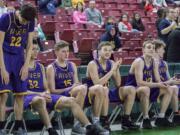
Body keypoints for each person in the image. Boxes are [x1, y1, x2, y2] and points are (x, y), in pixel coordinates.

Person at [25, 41, 101, 135]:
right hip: (31, 96)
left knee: (76, 98)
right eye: (33, 49)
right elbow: (21, 90)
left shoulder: (40, 66)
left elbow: (47, 88)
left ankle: (89, 127)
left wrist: (46, 93)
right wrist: (43, 94)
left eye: (37, 49)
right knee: (40, 99)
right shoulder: (50, 67)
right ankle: (51, 130)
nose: (36, 51)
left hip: (49, 96)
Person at [46, 40, 108, 135]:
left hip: (76, 92)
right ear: (56, 52)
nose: (66, 54)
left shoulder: (72, 65)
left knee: (99, 88)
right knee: (82, 88)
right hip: (61, 95)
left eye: (67, 51)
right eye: (63, 51)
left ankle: (96, 122)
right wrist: (70, 88)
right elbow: (52, 91)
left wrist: (77, 86)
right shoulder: (51, 67)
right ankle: (77, 124)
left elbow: (76, 84)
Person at [0, 4, 37, 134]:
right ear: (19, 12)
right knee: (3, 94)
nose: (25, 23)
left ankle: (18, 126)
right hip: (4, 56)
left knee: (20, 95)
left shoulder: (30, 20)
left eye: (27, 21)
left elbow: (30, 44)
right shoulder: (6, 18)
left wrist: (26, 65)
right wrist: (2, 68)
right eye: (23, 20)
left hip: (19, 58)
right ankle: (2, 128)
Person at [86, 41, 138, 130]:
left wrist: (117, 69)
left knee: (131, 89)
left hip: (106, 92)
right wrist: (112, 71)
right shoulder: (93, 64)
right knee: (104, 89)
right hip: (92, 94)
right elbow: (97, 83)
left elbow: (118, 84)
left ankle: (125, 120)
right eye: (105, 50)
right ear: (99, 51)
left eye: (110, 50)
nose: (108, 52)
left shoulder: (111, 63)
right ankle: (104, 120)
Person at [125, 40, 173, 129]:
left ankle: (161, 117)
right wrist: (158, 85)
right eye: (149, 47)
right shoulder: (139, 61)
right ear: (143, 50)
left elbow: (158, 80)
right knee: (145, 88)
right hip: (134, 89)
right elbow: (139, 83)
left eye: (153, 48)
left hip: (148, 88)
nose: (151, 50)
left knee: (168, 88)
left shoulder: (154, 61)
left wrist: (168, 83)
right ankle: (146, 119)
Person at [153, 39, 180, 124]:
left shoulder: (164, 63)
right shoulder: (152, 62)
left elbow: (168, 78)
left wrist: (174, 80)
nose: (164, 51)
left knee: (175, 87)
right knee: (172, 88)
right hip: (155, 87)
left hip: (166, 85)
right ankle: (161, 116)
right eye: (162, 49)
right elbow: (156, 81)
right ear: (157, 50)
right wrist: (171, 82)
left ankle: (176, 115)